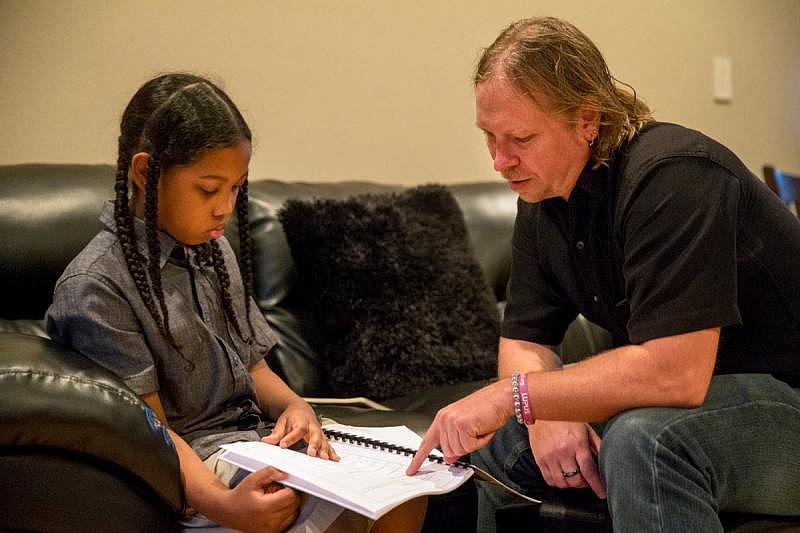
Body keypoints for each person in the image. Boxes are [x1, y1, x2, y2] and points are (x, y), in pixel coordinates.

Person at [407, 16, 800, 532]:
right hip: (701, 402)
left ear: (587, 121)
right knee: (489, 445)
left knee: (648, 441)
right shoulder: (542, 199)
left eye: (521, 137)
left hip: (785, 399)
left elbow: (675, 372)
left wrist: (519, 396)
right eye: (489, 136)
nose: (500, 161)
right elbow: (524, 340)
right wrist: (545, 413)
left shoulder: (674, 177)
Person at [46, 73, 425, 533]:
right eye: (208, 189)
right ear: (145, 173)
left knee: (404, 488)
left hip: (254, 440)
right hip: (195, 468)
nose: (224, 207)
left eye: (235, 188)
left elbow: (256, 369)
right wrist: (223, 504)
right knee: (339, 503)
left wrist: (296, 408)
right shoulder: (98, 284)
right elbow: (149, 432)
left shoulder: (212, 250)